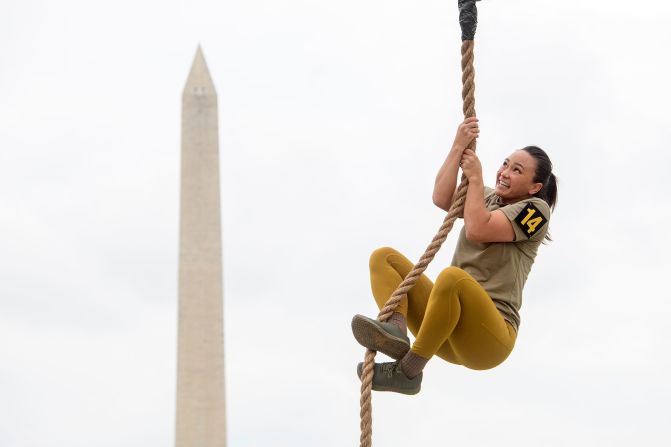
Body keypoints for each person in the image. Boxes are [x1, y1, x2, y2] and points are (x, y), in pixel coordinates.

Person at [352, 117, 558, 395]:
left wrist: (475, 178)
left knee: (452, 278)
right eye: (505, 164)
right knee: (383, 257)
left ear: (534, 187)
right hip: (445, 328)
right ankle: (396, 331)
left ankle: (409, 371)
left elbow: (477, 228)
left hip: (489, 340)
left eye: (517, 170)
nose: (505, 172)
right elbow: (441, 197)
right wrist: (458, 145)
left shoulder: (536, 211)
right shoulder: (485, 197)